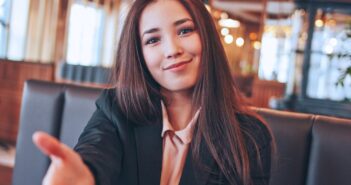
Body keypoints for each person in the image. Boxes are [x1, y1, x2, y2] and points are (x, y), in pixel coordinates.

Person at [33, 0, 274, 185]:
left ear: (206, 37)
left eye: (184, 31)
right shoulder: (117, 109)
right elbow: (96, 150)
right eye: (152, 40)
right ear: (139, 55)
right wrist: (86, 174)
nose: (172, 50)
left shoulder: (249, 136)